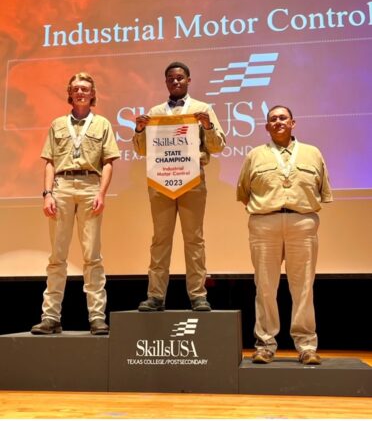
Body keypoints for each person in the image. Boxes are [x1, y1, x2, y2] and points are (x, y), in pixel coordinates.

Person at [236, 105, 333, 365]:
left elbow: (323, 189)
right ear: (267, 127)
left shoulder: (313, 153)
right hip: (264, 223)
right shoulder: (255, 155)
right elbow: (243, 192)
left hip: (302, 222)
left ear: (293, 122)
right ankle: (265, 345)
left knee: (303, 288)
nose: (278, 122)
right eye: (272, 119)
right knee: (265, 287)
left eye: (283, 118)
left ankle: (306, 345)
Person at [31, 72, 120, 335]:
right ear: (70, 93)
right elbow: (49, 161)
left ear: (93, 94)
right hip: (62, 187)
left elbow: (108, 163)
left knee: (92, 256)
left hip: (91, 187)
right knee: (57, 256)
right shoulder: (57, 124)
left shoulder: (102, 124)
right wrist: (47, 193)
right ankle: (50, 317)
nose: (81, 92)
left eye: (85, 89)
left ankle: (96, 317)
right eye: (76, 89)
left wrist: (102, 193)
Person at [133, 61, 226, 311]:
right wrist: (140, 129)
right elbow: (141, 150)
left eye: (180, 78)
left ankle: (198, 295)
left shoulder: (202, 109)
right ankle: (155, 296)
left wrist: (207, 125)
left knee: (194, 239)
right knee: (160, 240)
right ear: (166, 82)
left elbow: (218, 147)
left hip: (192, 181)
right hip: (160, 181)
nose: (176, 82)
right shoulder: (154, 112)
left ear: (188, 80)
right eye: (171, 78)